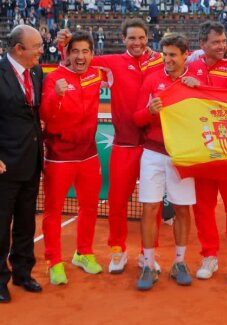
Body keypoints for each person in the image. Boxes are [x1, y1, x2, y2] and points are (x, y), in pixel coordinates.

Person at [56, 18, 164, 274]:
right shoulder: (112, 63)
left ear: (147, 38)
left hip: (153, 147)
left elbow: (187, 60)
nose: (137, 43)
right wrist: (64, 45)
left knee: (153, 204)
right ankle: (118, 251)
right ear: (123, 40)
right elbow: (78, 61)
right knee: (117, 202)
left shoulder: (160, 60)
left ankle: (148, 254)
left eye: (141, 38)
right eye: (131, 38)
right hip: (124, 145)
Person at [187, 21, 227, 285]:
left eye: (224, 41)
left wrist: (199, 88)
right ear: (203, 45)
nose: (222, 46)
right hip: (202, 149)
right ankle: (209, 255)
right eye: (216, 42)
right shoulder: (191, 66)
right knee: (203, 207)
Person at [40, 31, 105, 285]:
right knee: (53, 211)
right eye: (75, 51)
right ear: (67, 54)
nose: (81, 56)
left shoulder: (96, 74)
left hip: (89, 154)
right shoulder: (54, 79)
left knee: (89, 207)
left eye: (85, 51)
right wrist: (57, 93)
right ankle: (54, 261)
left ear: (92, 53)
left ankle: (84, 253)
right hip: (59, 156)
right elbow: (46, 113)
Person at [134, 34, 196, 290]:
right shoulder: (151, 79)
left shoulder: (195, 83)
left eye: (173, 55)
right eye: (165, 54)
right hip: (153, 153)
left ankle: (180, 262)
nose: (168, 59)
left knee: (182, 209)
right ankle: (148, 264)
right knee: (149, 208)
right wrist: (149, 110)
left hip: (182, 155)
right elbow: (137, 119)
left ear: (185, 55)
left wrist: (198, 91)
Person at [0, 24, 44, 304]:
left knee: (27, 223)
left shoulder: (37, 72)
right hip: (4, 164)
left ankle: (23, 272)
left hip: (31, 161)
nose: (42, 50)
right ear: (19, 49)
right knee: (1, 226)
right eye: (37, 46)